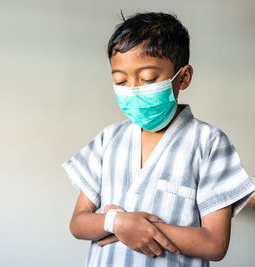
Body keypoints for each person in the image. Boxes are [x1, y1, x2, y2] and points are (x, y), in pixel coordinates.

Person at [61, 11, 255, 267]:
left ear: (183, 77)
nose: (132, 90)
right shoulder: (108, 140)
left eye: (147, 78)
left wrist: (139, 229)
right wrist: (117, 223)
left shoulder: (209, 144)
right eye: (120, 80)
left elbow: (215, 243)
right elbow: (78, 223)